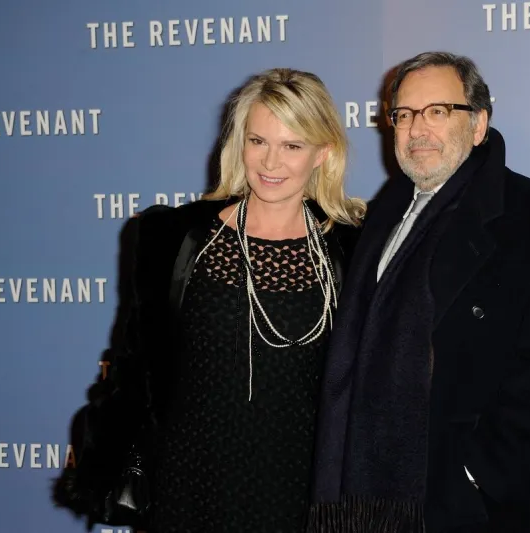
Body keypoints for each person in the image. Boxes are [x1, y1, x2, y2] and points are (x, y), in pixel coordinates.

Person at [51, 67, 366, 533]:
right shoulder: (172, 238)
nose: (270, 162)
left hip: (301, 488)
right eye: (258, 141)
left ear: (323, 152)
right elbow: (134, 365)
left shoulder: (354, 250)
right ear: (239, 143)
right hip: (189, 480)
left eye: (292, 146)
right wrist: (103, 462)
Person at [306, 52, 530, 533]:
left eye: (438, 111)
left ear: (479, 123)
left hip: (472, 509)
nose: (417, 129)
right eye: (404, 115)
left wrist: (473, 474)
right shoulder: (377, 219)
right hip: (363, 496)